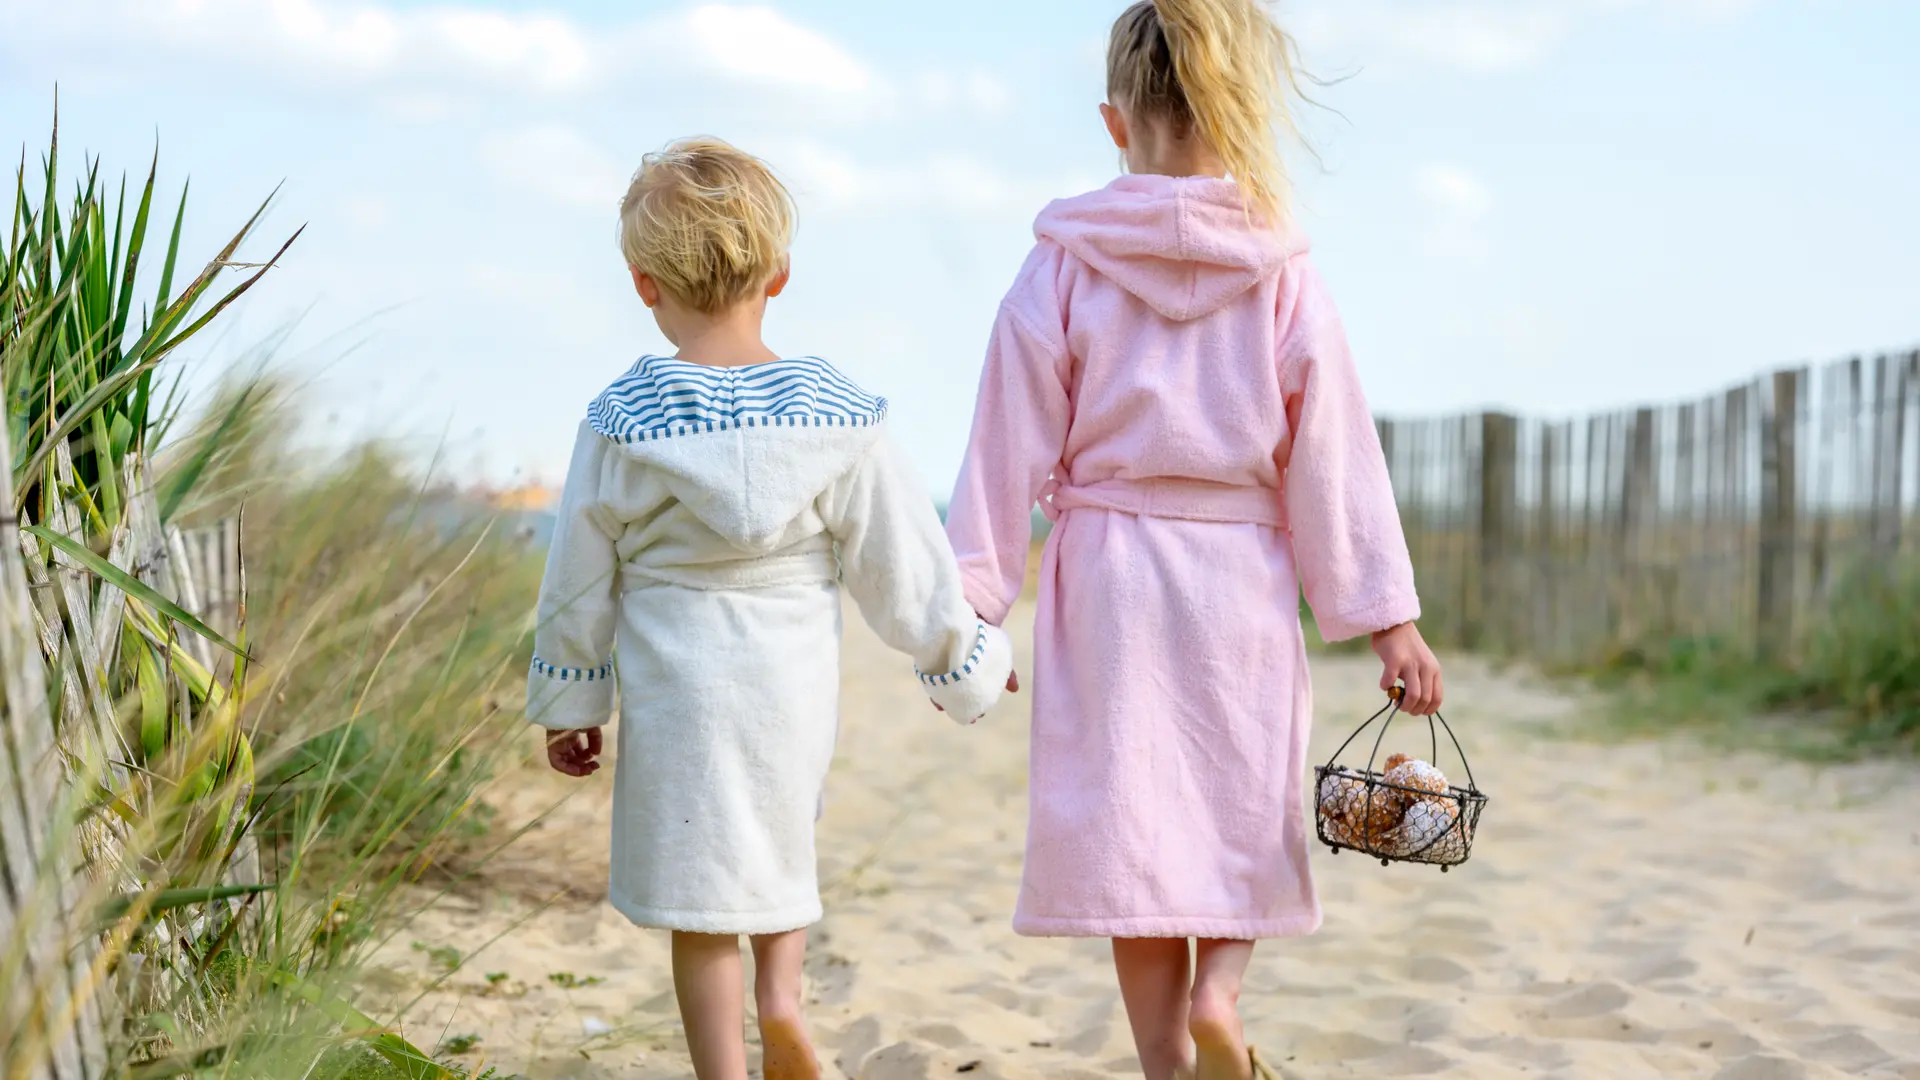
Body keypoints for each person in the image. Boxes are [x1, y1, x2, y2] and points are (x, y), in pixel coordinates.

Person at [941, 3, 1444, 1078]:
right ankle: (1221, 998)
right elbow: (1335, 459)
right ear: (1244, 113)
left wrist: (972, 606)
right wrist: (1387, 620)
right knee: (1238, 806)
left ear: (1115, 123)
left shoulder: (1062, 268)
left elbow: (1003, 442)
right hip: (1238, 580)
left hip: (1111, 581)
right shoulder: (1284, 275)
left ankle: (1166, 1060)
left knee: (1134, 829)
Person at [528, 136, 1014, 1080]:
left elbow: (577, 577)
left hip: (678, 689)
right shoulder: (837, 418)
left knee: (698, 889)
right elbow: (904, 563)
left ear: (644, 285)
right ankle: (783, 1003)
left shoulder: (623, 421)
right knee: (778, 844)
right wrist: (967, 662)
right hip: (787, 683)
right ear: (780, 274)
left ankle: (724, 1070)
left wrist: (573, 701)